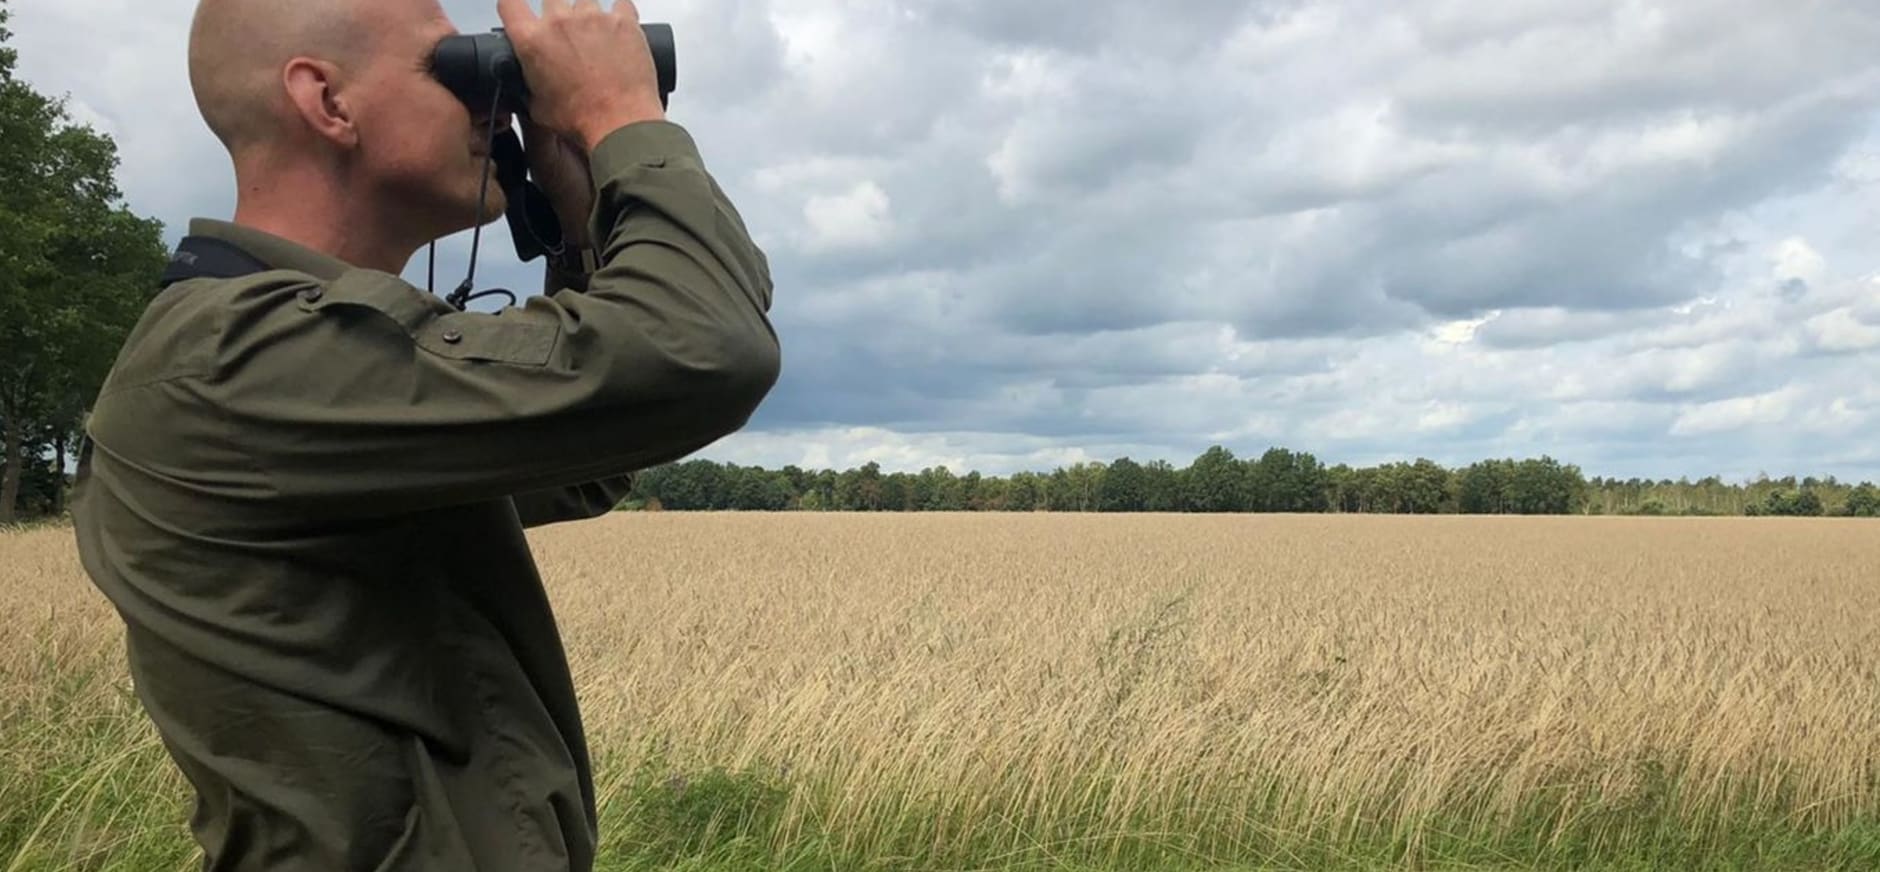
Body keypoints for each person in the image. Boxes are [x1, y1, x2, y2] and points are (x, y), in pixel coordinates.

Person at [68, 0, 779, 868]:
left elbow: (586, 458)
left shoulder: (283, 357)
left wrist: (580, 204)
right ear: (326, 101)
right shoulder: (242, 357)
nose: (491, 101)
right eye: (452, 69)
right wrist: (619, 117)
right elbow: (706, 348)